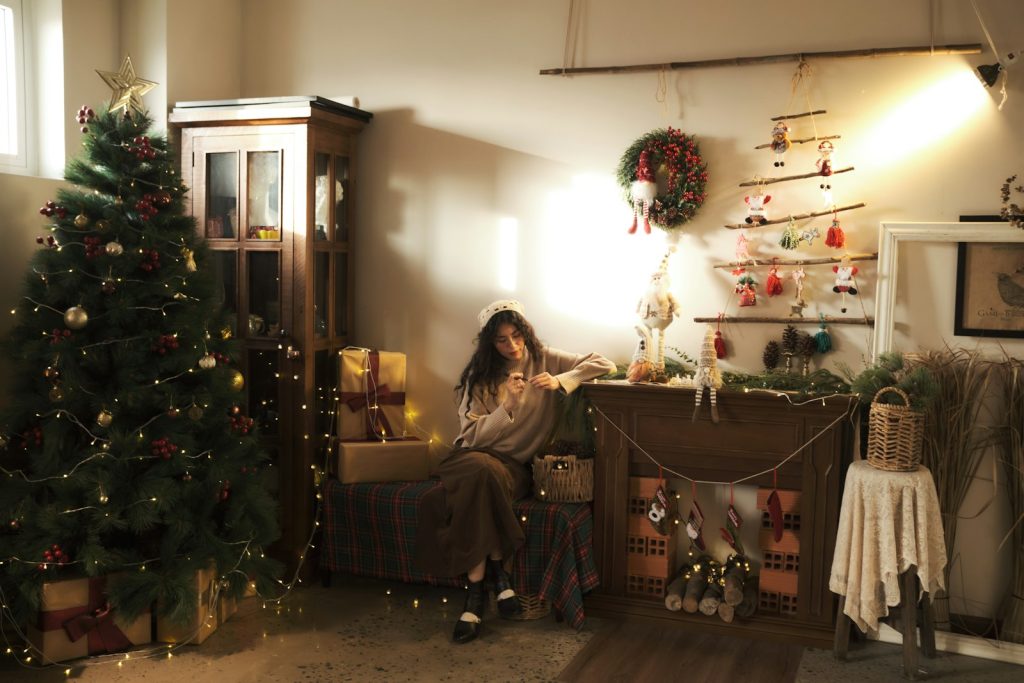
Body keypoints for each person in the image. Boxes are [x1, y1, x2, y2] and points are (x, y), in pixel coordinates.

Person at [415, 299, 615, 644]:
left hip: (514, 468)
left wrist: (561, 380)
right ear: (489, 344)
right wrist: (506, 405)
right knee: (480, 469)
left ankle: (477, 593)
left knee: (481, 483)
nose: (513, 346)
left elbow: (605, 363)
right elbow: (471, 437)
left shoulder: (545, 358)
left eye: (517, 335)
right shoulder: (480, 379)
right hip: (471, 458)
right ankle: (494, 580)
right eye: (502, 340)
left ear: (526, 332)